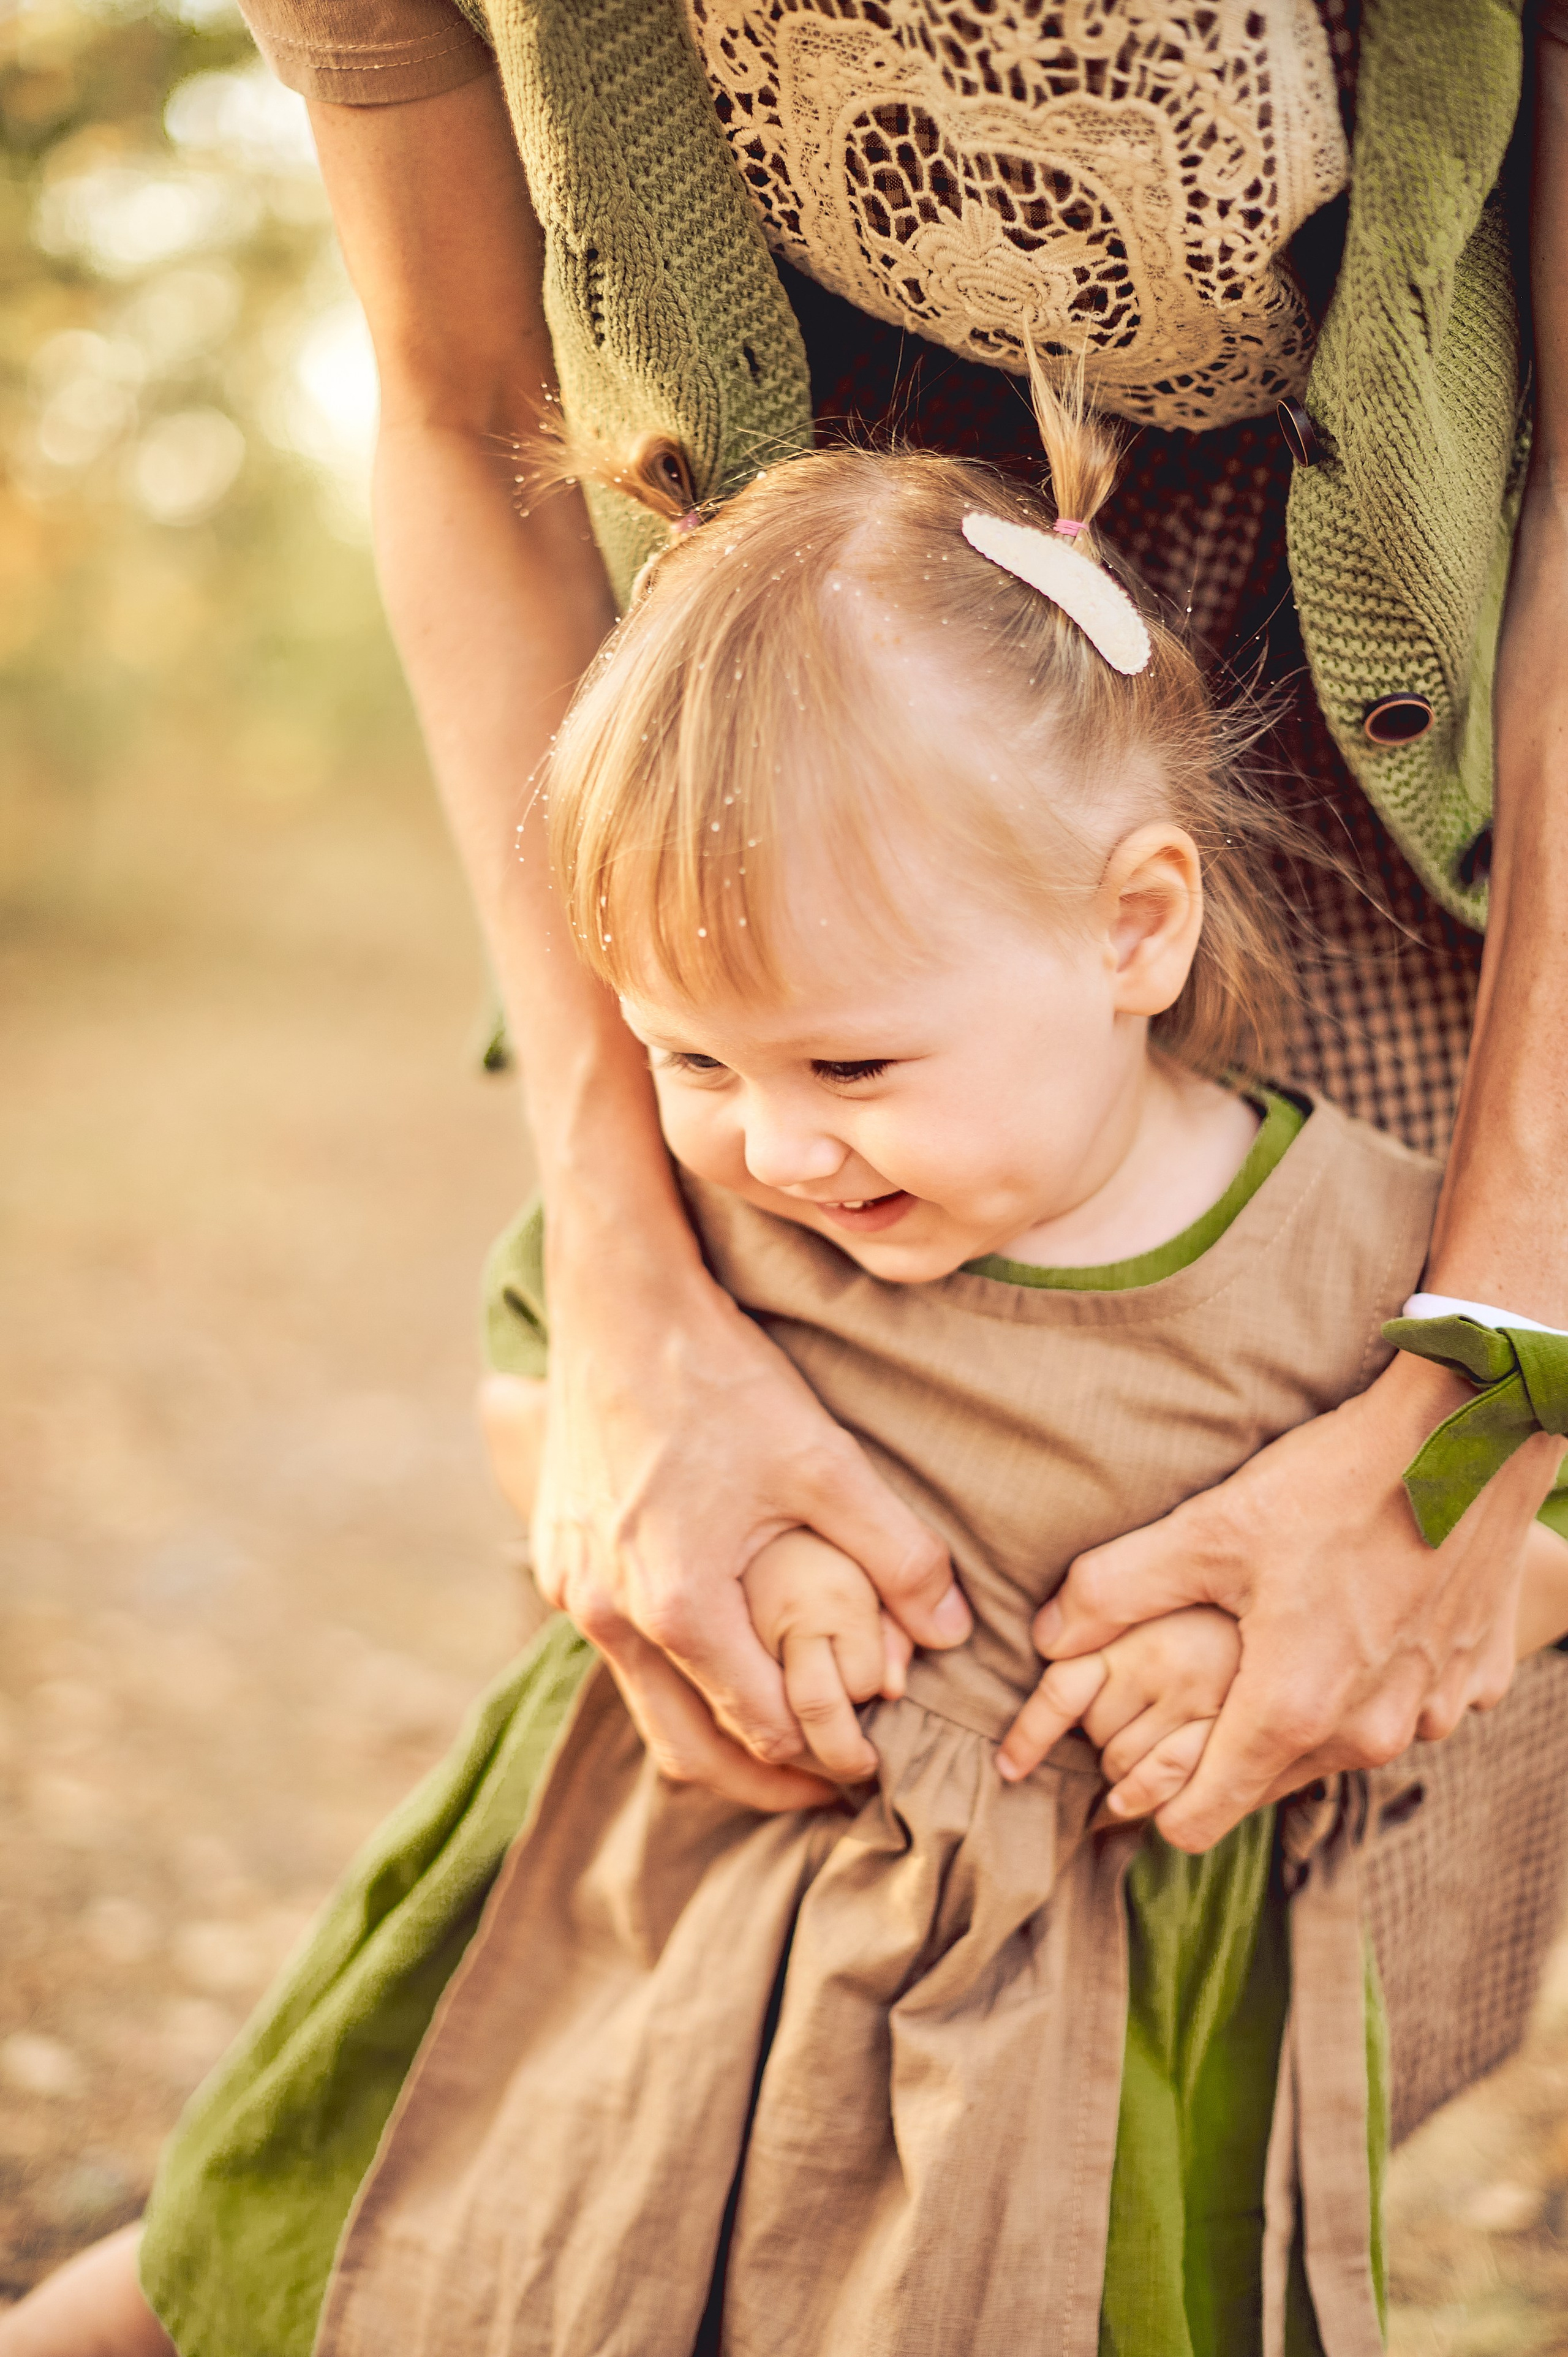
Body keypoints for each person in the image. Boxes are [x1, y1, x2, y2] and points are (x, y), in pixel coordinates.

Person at [14, 378, 1568, 2357]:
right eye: (690, 1058)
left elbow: (1526, 1537)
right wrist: (760, 1573)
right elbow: (545, 1395)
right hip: (634, 1947)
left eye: (850, 1063)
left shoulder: (1373, 1255)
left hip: (1068, 2064)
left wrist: (1262, 1665)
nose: (777, 1145)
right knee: (301, 2262)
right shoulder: (713, 1232)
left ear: (1135, 931)